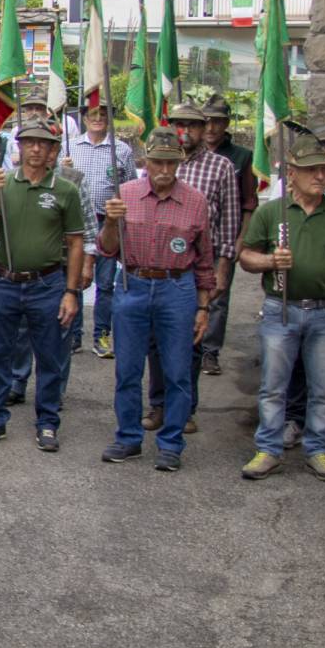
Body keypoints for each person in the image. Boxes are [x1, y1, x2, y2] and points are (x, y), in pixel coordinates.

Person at [236, 132, 325, 482]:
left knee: (323, 387)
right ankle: (268, 448)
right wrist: (269, 262)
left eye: (324, 169)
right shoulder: (271, 212)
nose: (320, 176)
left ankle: (318, 449)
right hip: (281, 308)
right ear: (291, 174)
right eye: (310, 170)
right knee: (273, 386)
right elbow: (245, 257)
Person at [99, 129, 215, 472]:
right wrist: (111, 221)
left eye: (171, 163)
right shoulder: (125, 194)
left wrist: (203, 306)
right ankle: (128, 437)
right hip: (132, 283)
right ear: (145, 162)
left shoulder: (195, 201)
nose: (164, 170)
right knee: (127, 369)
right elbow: (107, 248)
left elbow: (204, 260)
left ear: (180, 163)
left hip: (176, 288)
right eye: (158, 162)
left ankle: (171, 443)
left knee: (177, 371)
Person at [0, 116, 85, 452]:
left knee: (50, 356)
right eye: (29, 143)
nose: (35, 149)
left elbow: (76, 243)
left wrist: (71, 292)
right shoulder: (4, 182)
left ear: (53, 150)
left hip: (47, 284)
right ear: (19, 147)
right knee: (0, 353)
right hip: (4, 281)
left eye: (43, 144)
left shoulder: (65, 190)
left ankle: (48, 422)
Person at [145, 102, 241, 434]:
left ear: (203, 129)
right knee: (156, 341)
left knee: (191, 341)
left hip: (197, 266)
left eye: (193, 125)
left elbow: (229, 221)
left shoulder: (221, 166)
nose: (185, 131)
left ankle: (184, 409)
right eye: (179, 124)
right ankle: (159, 405)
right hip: (159, 265)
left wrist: (222, 268)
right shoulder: (158, 161)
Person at [67, 101, 136, 357]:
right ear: (84, 118)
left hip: (107, 223)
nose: (97, 119)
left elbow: (130, 186)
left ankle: (102, 335)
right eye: (93, 114)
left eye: (103, 114)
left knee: (105, 283)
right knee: (75, 278)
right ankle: (73, 334)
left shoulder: (122, 150)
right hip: (76, 223)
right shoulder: (70, 147)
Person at [199, 95, 255, 375]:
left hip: (224, 235)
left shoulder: (241, 157)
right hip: (194, 238)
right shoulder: (189, 153)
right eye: (207, 121)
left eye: (218, 122)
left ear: (226, 124)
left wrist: (241, 238)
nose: (211, 128)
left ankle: (210, 350)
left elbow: (248, 202)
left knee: (218, 296)